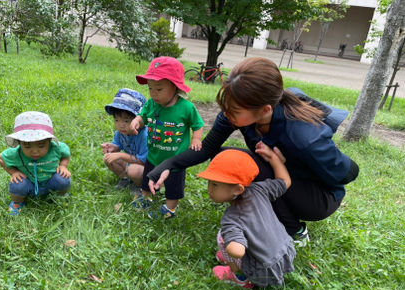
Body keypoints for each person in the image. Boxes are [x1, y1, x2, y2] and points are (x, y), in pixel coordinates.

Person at [147, 57, 359, 242]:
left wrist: (290, 163)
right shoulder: (238, 112)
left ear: (265, 109)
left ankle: (295, 230)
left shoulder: (305, 138)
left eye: (235, 110)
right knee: (226, 158)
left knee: (251, 167)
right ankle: (261, 217)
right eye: (226, 106)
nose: (226, 114)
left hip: (318, 197)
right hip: (283, 174)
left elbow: (348, 173)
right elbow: (207, 148)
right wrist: (168, 165)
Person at [197, 146, 296, 288]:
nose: (210, 190)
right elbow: (285, 181)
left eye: (215, 185)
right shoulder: (260, 189)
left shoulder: (232, 218)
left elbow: (238, 251)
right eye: (209, 183)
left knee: (222, 237)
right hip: (286, 252)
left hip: (264, 269)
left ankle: (240, 277)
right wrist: (274, 159)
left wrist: (231, 247)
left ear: (238, 189)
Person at [130, 56, 204, 219]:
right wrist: (137, 121)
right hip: (154, 155)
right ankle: (145, 198)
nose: (153, 94)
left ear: (175, 87)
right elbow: (143, 117)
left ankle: (170, 209)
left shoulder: (186, 108)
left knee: (173, 188)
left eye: (159, 89)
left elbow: (197, 125)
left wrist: (196, 139)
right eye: (150, 88)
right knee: (147, 179)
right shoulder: (151, 104)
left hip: (176, 160)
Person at [0, 111, 71, 215]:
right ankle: (18, 202)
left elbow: (66, 153)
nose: (35, 151)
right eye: (27, 146)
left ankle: (61, 195)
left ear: (49, 141)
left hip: (51, 180)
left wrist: (63, 166)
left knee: (63, 179)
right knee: (17, 185)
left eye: (41, 145)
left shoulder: (56, 148)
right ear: (19, 142)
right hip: (29, 183)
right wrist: (13, 172)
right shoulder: (16, 153)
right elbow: (1, 158)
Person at [101, 88, 147, 191]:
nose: (121, 125)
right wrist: (111, 148)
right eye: (116, 120)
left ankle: (140, 186)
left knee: (134, 170)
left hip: (146, 169)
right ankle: (125, 179)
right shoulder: (120, 133)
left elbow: (142, 161)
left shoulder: (144, 135)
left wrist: (121, 154)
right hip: (132, 163)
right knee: (108, 158)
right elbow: (117, 147)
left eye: (126, 121)